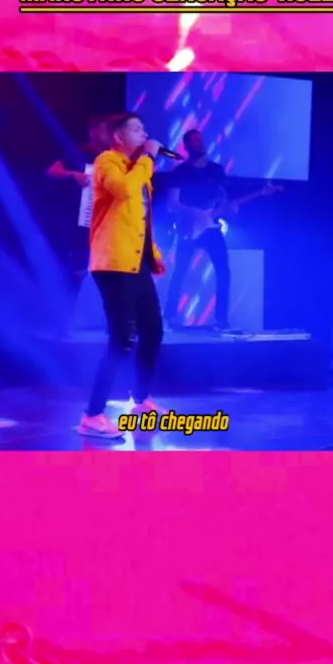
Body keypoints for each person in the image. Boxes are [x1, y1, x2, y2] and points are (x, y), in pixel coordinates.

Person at [78, 112, 167, 439]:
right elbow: (125, 191)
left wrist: (154, 254)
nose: (144, 133)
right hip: (113, 264)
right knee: (122, 338)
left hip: (136, 263)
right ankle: (92, 415)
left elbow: (139, 219)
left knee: (153, 332)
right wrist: (148, 159)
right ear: (119, 136)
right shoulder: (108, 162)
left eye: (144, 128)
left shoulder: (136, 168)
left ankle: (140, 400)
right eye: (137, 129)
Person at [164, 129, 234, 331]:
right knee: (180, 271)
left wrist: (225, 208)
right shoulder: (180, 172)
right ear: (187, 146)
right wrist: (192, 212)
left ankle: (222, 320)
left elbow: (223, 197)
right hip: (188, 228)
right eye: (195, 141)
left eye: (201, 140)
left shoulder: (216, 170)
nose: (200, 144)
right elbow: (172, 203)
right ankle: (170, 316)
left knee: (223, 271)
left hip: (211, 228)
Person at [46, 117, 109, 278]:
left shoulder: (113, 158)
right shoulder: (79, 152)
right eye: (104, 129)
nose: (107, 133)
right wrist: (73, 174)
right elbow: (52, 171)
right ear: (93, 131)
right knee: (73, 268)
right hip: (75, 219)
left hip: (101, 223)